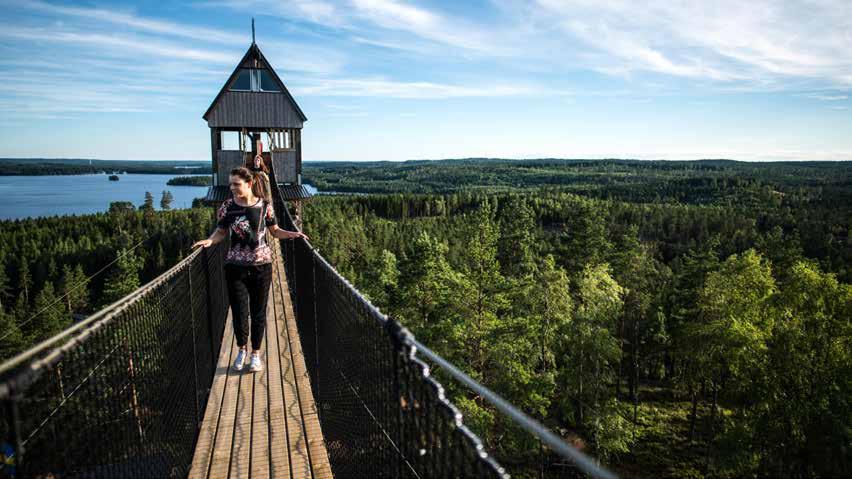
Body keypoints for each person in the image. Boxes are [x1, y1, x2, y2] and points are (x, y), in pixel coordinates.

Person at [192, 167, 308, 372]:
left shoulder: (265, 206)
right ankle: (241, 349)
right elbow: (221, 232)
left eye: (236, 184)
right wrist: (210, 241)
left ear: (249, 183)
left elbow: (274, 231)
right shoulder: (228, 206)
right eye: (230, 184)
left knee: (258, 312)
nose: (232, 188)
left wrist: (292, 234)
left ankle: (255, 354)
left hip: (261, 267)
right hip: (235, 267)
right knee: (239, 311)